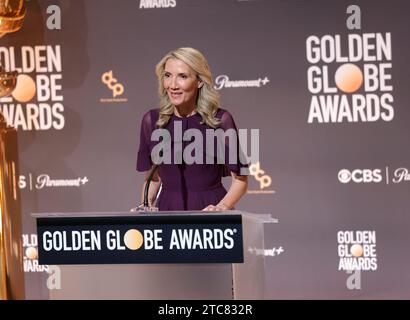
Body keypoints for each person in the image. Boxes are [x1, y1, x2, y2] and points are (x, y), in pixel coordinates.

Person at [136, 47, 248, 211]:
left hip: (210, 212)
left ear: (199, 81)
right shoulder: (152, 121)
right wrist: (145, 205)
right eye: (168, 76)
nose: (173, 85)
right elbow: (153, 178)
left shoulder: (220, 120)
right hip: (167, 210)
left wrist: (222, 207)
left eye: (182, 76)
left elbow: (241, 179)